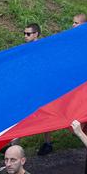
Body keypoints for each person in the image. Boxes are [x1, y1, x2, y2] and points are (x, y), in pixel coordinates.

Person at [22, 24, 58, 156]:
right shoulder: (25, 48)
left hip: (42, 88)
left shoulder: (43, 48)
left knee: (45, 115)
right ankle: (14, 142)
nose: (25, 36)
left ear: (36, 34)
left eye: (28, 34)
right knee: (22, 113)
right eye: (24, 33)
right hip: (29, 86)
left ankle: (48, 143)